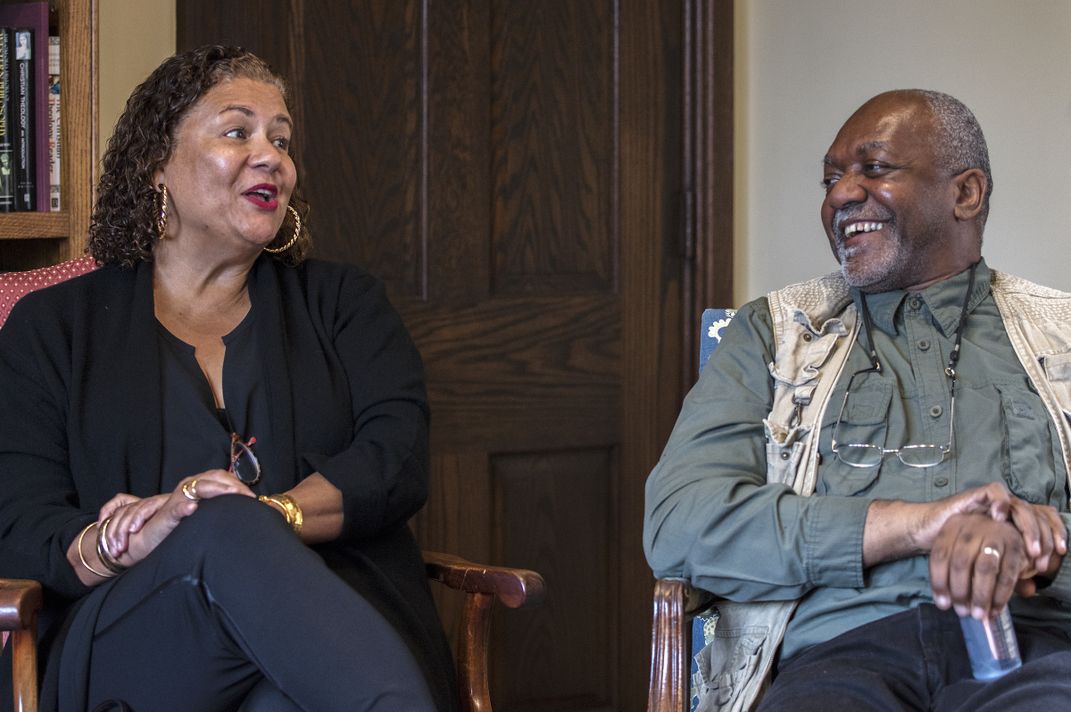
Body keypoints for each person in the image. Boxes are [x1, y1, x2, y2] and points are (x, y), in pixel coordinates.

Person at [0, 45, 454, 711]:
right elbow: (16, 520)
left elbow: (395, 458)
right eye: (237, 131)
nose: (270, 155)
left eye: (282, 139)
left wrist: (273, 516)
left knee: (280, 687)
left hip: (333, 628)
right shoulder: (54, 329)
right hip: (135, 642)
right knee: (220, 528)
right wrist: (124, 538)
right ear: (157, 164)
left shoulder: (344, 304)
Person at [644, 89, 1071, 711]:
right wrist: (916, 524)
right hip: (838, 658)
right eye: (831, 178)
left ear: (965, 193)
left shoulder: (1061, 333)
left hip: (1040, 655)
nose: (841, 194)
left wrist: (1042, 543)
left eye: (873, 169)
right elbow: (680, 523)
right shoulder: (775, 333)